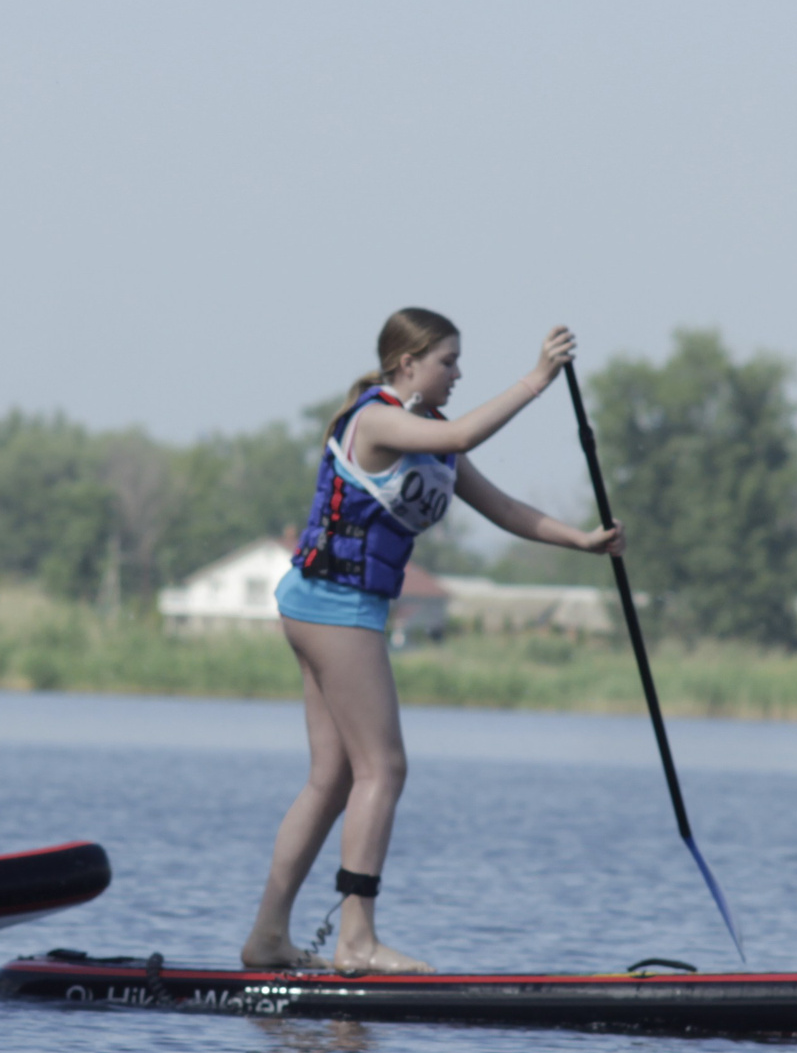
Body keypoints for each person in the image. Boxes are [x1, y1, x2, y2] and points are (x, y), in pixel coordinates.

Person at [242, 309, 624, 974]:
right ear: (406, 365)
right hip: (336, 606)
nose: (457, 373)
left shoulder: (436, 439)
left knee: (333, 778)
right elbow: (475, 425)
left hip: (324, 603)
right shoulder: (379, 417)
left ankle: (266, 938)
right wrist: (538, 378)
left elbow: (505, 509)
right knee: (383, 770)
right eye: (447, 361)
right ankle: (356, 939)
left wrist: (583, 540)